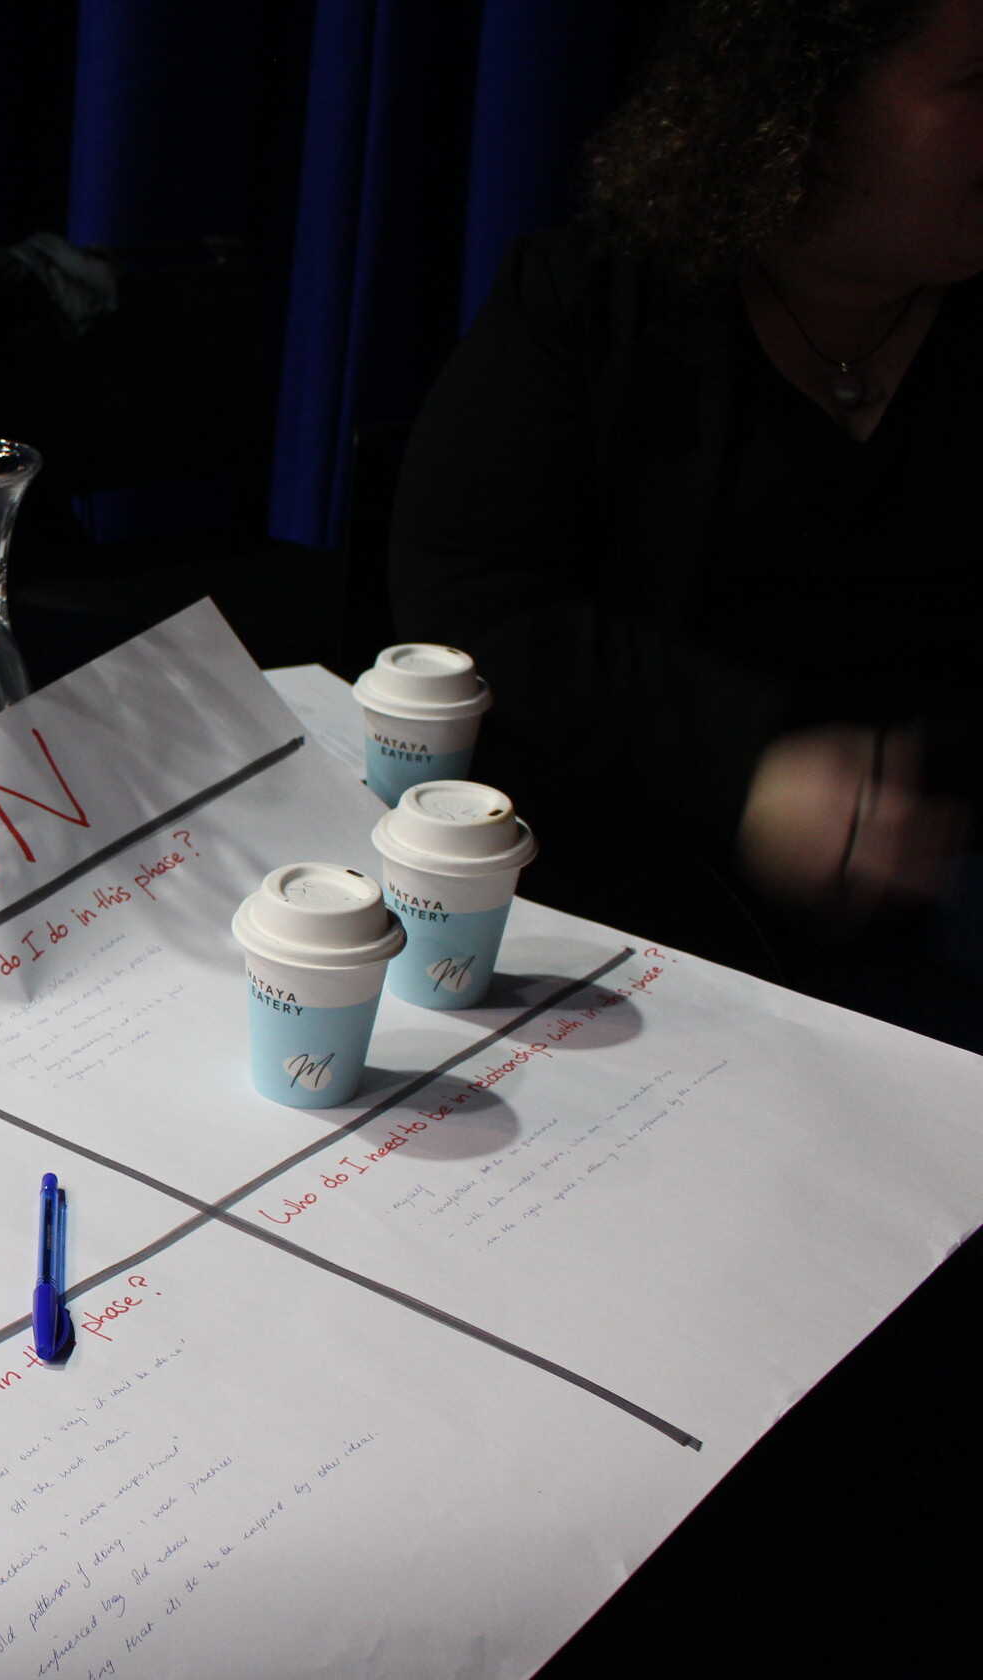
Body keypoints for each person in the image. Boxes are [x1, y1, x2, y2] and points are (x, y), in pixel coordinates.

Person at [391, 0, 983, 1040]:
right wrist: (749, 765)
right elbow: (470, 595)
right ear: (811, 104)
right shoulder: (592, 303)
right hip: (616, 928)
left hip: (931, 935)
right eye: (975, 82)